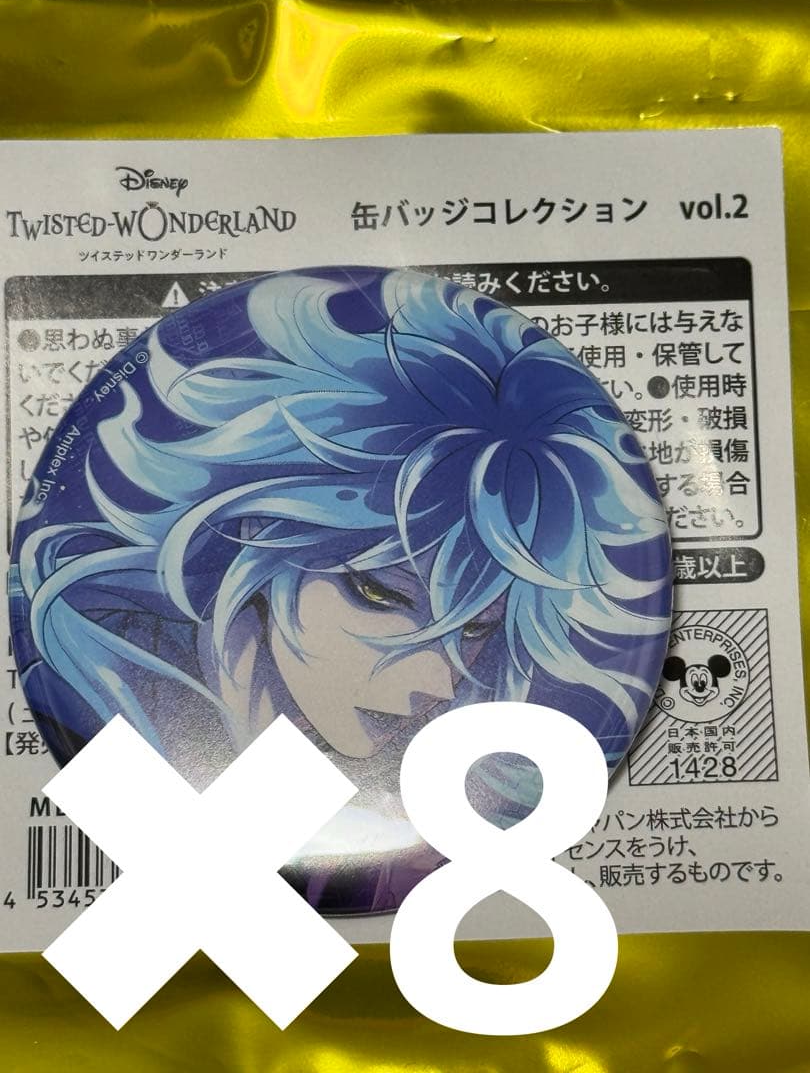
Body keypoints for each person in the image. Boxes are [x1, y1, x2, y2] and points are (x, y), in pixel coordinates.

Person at [10, 266, 672, 913]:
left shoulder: (458, 793)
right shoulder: (90, 696)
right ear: (259, 529)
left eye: (474, 628)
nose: (438, 684)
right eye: (380, 597)